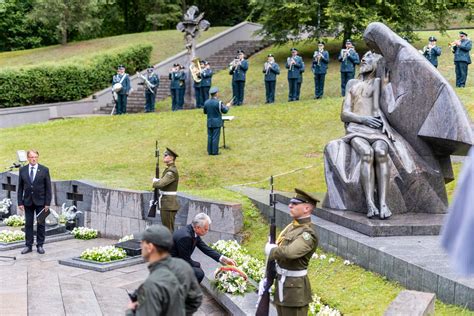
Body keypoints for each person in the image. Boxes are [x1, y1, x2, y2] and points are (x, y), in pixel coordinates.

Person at [264, 188, 318, 316]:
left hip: (295, 292)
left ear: (306, 209)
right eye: (290, 203)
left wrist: (272, 250)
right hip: (282, 285)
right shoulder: (292, 228)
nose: (290, 206)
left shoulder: (307, 233)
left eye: (295, 204)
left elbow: (290, 253)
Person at [126, 225, 186, 316]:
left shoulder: (152, 284)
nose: (141, 245)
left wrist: (130, 310)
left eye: (142, 242)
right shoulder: (182, 269)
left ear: (150, 247)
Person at [170, 213, 236, 283]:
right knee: (199, 273)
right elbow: (185, 260)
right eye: (205, 229)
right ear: (198, 227)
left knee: (197, 269)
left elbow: (205, 248)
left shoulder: (192, 231)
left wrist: (224, 259)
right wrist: (197, 264)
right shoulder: (185, 237)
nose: (207, 232)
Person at [17, 149, 52, 255]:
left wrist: (47, 203)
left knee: (41, 223)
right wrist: (20, 202)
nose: (34, 159)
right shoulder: (22, 170)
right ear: (28, 158)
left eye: (35, 157)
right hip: (27, 202)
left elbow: (48, 188)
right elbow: (20, 187)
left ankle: (40, 245)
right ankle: (28, 245)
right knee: (28, 224)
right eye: (31, 157)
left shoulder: (44, 170)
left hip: (41, 202)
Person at [152, 148, 180, 232]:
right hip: (166, 203)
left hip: (169, 205)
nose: (163, 157)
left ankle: (170, 245)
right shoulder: (168, 169)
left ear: (171, 158)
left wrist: (154, 182)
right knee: (167, 229)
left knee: (168, 230)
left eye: (166, 155)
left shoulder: (172, 171)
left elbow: (160, 184)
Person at [203, 87, 232, 155]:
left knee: (210, 136)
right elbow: (225, 111)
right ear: (216, 94)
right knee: (215, 137)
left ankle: (210, 151)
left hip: (209, 121)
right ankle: (215, 152)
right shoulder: (218, 102)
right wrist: (228, 106)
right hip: (216, 122)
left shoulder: (206, 102)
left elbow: (205, 112)